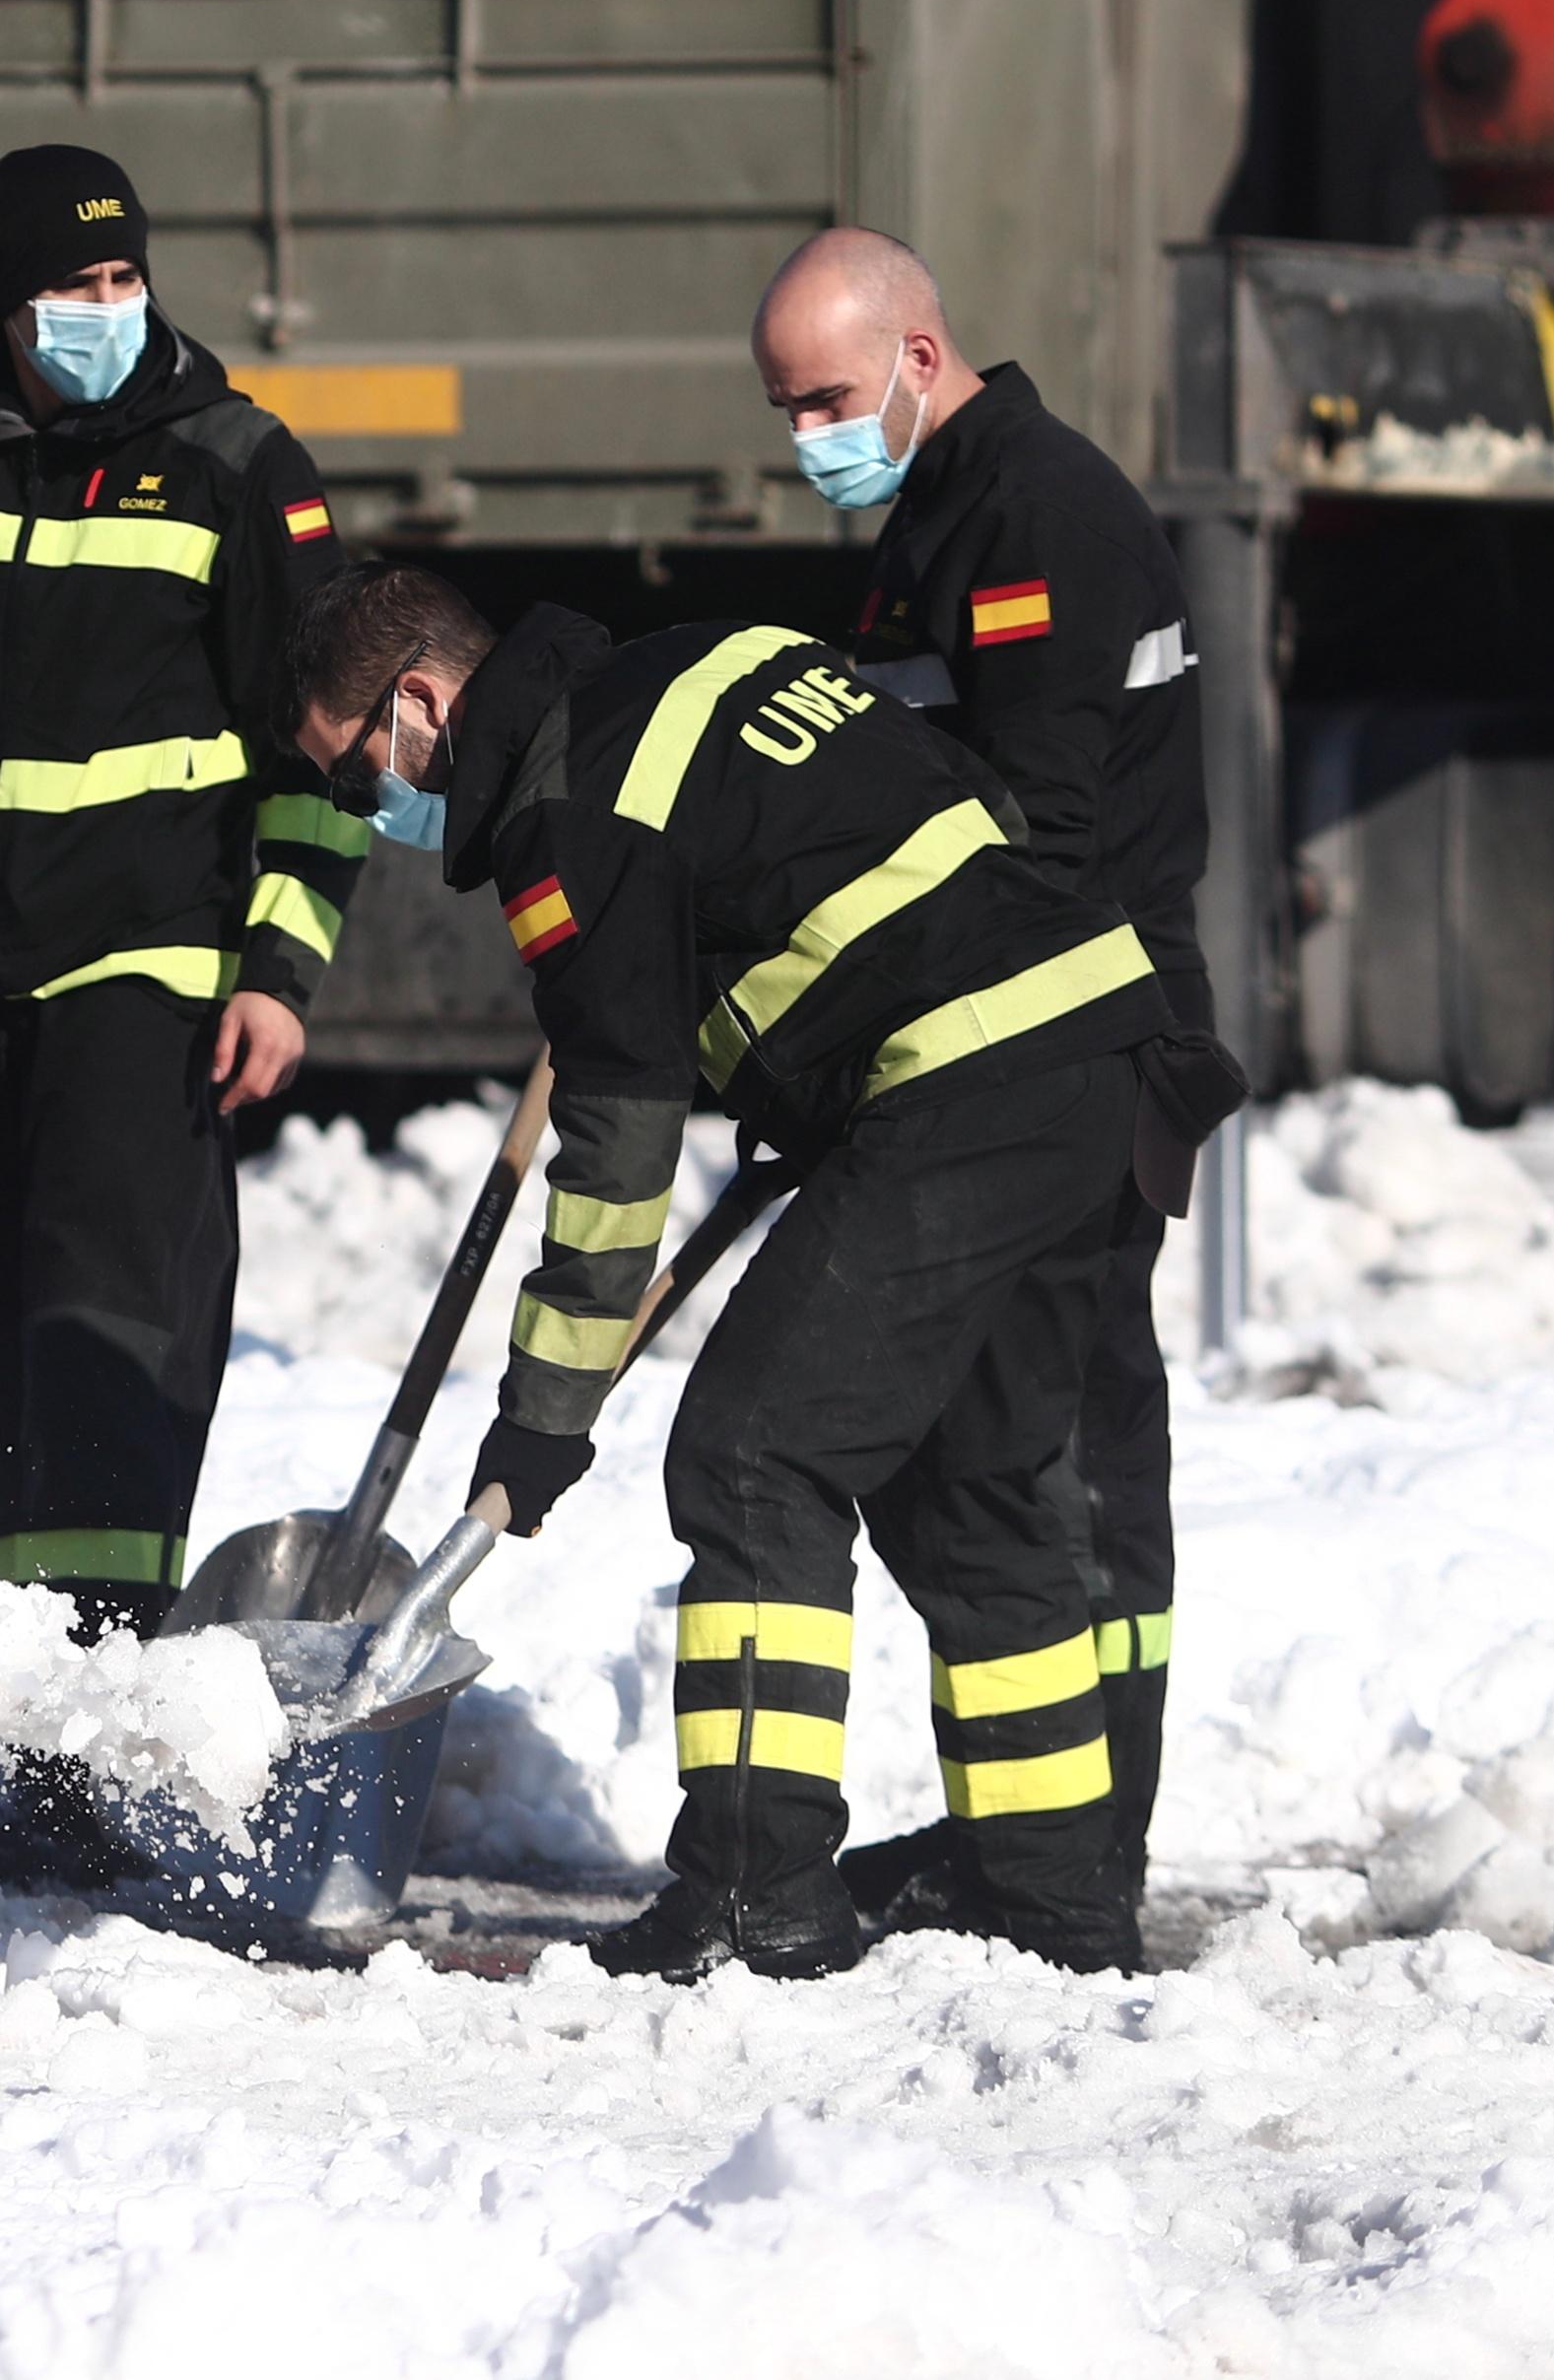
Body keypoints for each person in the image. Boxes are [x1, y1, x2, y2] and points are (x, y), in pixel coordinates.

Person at [287, 562, 1173, 1978]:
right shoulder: (710, 656)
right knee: (974, 1481)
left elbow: (621, 1140)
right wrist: (808, 1064)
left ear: (418, 701)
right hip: (1096, 1053)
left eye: (351, 779)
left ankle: (757, 1889)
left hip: (966, 1082)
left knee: (754, 1454)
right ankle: (1055, 1896)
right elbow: (942, 822)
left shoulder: (571, 814)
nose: (370, 813)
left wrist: (544, 1415)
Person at [0, 144, 362, 1884]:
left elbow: (321, 743)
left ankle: (104, 1755)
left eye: (125, 283)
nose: (106, 316)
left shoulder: (237, 469)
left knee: (113, 1343)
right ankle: (23, 1730)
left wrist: (280, 961)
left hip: (150, 981)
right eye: (70, 293)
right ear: (2, 301)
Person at [752, 227, 1233, 1940]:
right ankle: (1026, 1837)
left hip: (1086, 1037)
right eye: (786, 403)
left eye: (827, 395)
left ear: (921, 356)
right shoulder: (938, 522)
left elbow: (1029, 824)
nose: (808, 431)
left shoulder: (1033, 515)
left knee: (1071, 1449)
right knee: (997, 1447)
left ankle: (1085, 1852)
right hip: (1006, 1038)